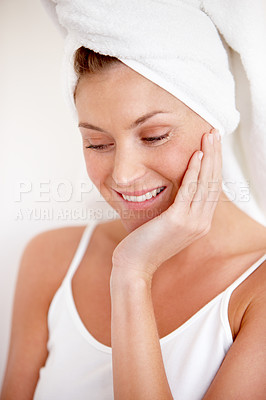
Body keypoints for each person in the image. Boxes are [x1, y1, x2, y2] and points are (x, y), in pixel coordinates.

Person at [1, 45, 266, 400]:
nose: (123, 175)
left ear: (214, 121)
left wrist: (131, 275)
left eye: (154, 136)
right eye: (97, 143)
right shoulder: (51, 258)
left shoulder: (257, 292)